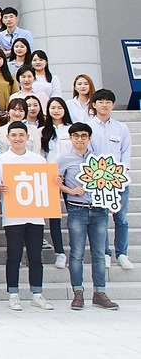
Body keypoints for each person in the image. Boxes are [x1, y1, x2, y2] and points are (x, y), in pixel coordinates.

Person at [56, 122, 119, 310]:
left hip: (99, 210)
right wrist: (69, 190)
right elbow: (56, 183)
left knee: (99, 253)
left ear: (89, 138)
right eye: (76, 136)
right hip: (77, 209)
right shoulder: (64, 160)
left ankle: (99, 292)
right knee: (76, 253)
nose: (80, 139)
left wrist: (112, 201)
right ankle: (78, 293)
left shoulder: (100, 160)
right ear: (71, 138)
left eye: (84, 136)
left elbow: (110, 182)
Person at [0, 121, 53, 311]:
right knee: (14, 255)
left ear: (27, 137)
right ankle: (13, 294)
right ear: (8, 137)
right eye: (14, 135)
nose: (18, 139)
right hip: (13, 216)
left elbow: (45, 184)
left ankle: (37, 294)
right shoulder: (0, 160)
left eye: (21, 135)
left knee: (35, 256)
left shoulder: (38, 160)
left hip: (35, 215)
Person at [88, 89, 133, 270]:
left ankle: (122, 253)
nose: (104, 105)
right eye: (100, 101)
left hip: (118, 180)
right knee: (101, 217)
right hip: (98, 180)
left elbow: (126, 153)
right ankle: (105, 253)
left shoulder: (121, 128)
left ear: (113, 105)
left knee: (121, 218)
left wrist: (120, 174)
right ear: (94, 104)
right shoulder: (87, 126)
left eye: (108, 101)